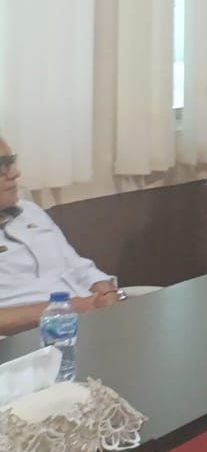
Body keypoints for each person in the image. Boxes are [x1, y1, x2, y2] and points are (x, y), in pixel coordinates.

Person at [0, 138, 122, 335]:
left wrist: (106, 291)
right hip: (34, 340)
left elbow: (76, 265)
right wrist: (69, 309)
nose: (15, 173)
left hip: (95, 321)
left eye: (11, 162)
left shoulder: (29, 211)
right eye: (1, 166)